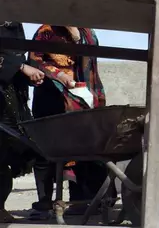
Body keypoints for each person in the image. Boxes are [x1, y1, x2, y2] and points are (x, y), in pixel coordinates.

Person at [28, 26, 108, 218]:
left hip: (80, 98)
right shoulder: (45, 31)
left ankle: (79, 199)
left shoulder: (87, 33)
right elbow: (34, 60)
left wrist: (76, 36)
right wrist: (59, 76)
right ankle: (45, 202)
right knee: (45, 150)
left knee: (80, 150)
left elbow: (92, 59)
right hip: (51, 98)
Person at [0, 22, 44, 222]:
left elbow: (18, 57)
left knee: (8, 156)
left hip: (12, 101)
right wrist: (19, 66)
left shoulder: (14, 23)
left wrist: (27, 75)